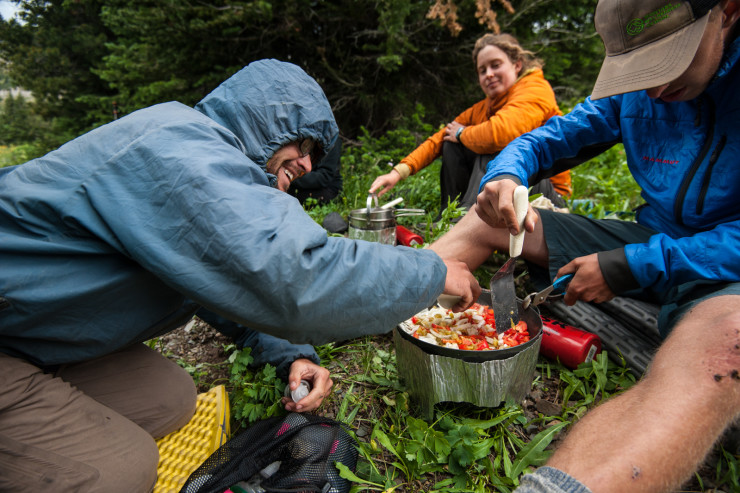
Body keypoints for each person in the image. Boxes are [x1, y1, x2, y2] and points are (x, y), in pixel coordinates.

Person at [0, 59, 480, 492]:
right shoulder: (179, 150)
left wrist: (289, 353)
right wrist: (431, 271)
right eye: (302, 142)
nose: (308, 163)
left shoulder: (198, 155)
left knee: (170, 398)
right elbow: (293, 278)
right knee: (123, 469)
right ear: (266, 118)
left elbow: (219, 275)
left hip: (35, 334)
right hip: (12, 332)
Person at [431, 0, 740, 491]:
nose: (656, 88)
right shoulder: (636, 92)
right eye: (640, 72)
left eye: (669, 60)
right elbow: (548, 139)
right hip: (656, 234)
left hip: (728, 271)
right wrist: (508, 172)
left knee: (728, 346)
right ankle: (398, 296)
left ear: (726, 10)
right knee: (495, 218)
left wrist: (631, 265)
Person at [369, 33, 572, 217]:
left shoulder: (535, 89)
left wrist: (462, 133)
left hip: (547, 194)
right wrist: (398, 172)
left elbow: (498, 134)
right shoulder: (484, 107)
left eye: (496, 65)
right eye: (482, 70)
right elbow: (443, 136)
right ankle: (450, 215)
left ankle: (467, 221)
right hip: (513, 185)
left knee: (492, 146)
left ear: (517, 65)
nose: (489, 74)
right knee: (452, 143)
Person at [289, 137, 343, 204]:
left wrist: (291, 178)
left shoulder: (332, 140)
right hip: (302, 183)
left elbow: (324, 176)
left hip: (326, 189)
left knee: (285, 194)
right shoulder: (307, 136)